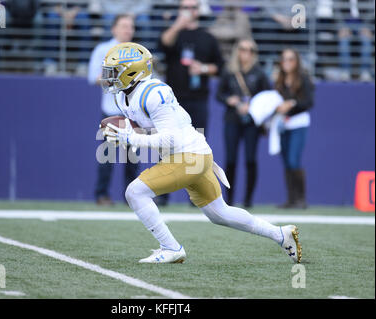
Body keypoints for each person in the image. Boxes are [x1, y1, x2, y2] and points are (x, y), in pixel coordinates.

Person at [101, 42, 301, 264]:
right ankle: (280, 234)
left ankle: (170, 247)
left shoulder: (154, 93)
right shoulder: (122, 96)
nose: (109, 77)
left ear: (132, 71)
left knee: (135, 192)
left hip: (188, 155)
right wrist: (130, 132)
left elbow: (170, 138)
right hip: (189, 154)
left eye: (115, 71)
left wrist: (130, 138)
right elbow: (151, 128)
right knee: (219, 213)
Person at [158, 0, 223, 206]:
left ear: (198, 10)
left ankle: (195, 197)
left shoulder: (207, 37)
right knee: (168, 146)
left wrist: (202, 69)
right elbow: (163, 45)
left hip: (198, 100)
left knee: (198, 147)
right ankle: (163, 193)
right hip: (172, 102)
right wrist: (178, 24)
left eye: (193, 7)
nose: (189, 10)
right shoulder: (173, 33)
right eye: (185, 7)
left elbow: (220, 67)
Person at [88, 14, 139, 206]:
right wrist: (119, 75)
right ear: (114, 29)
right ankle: (102, 194)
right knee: (107, 157)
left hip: (132, 112)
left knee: (132, 158)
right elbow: (93, 77)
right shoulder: (103, 49)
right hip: (111, 111)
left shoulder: (137, 52)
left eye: (131, 26)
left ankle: (133, 197)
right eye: (124, 25)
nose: (128, 30)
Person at [216, 39, 271, 207]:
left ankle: (248, 199)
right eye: (242, 49)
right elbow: (219, 94)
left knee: (250, 159)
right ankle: (230, 199)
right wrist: (230, 100)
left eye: (249, 50)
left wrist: (252, 104)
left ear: (254, 53)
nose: (245, 53)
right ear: (237, 51)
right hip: (232, 119)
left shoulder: (259, 73)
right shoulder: (229, 71)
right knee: (231, 160)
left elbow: (267, 96)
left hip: (251, 122)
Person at [275, 48, 315, 209]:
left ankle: (301, 199)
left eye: (291, 59)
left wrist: (291, 104)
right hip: (283, 124)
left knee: (293, 159)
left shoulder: (303, 79)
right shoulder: (279, 80)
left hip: (298, 123)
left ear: (296, 61)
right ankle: (291, 199)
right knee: (285, 160)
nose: (287, 62)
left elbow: (308, 102)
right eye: (284, 59)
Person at [336, 0, 374, 81]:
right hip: (345, 24)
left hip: (363, 24)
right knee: (344, 40)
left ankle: (365, 72)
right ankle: (345, 72)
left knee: (366, 40)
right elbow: (336, 11)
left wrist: (366, 27)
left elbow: (371, 10)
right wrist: (341, 27)